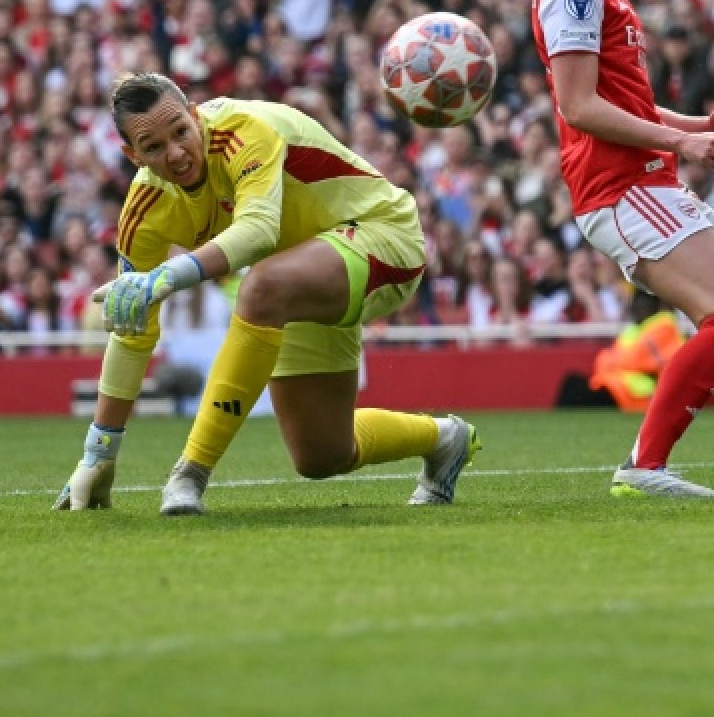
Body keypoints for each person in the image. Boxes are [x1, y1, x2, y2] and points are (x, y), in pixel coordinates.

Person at [53, 72, 481, 514]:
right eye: (154, 147)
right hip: (301, 273)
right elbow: (133, 330)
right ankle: (444, 439)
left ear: (195, 116)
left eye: (181, 131)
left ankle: (189, 476)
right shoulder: (145, 209)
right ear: (131, 155)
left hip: (382, 236)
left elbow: (258, 231)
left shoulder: (243, 130)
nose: (177, 153)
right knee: (321, 455)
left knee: (259, 286)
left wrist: (167, 276)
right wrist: (99, 453)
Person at [513, 0, 714, 498]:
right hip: (622, 186)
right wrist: (679, 145)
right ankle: (644, 467)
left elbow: (626, 102)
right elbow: (578, 106)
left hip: (643, 180)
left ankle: (646, 466)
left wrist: (696, 132)